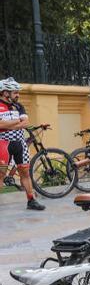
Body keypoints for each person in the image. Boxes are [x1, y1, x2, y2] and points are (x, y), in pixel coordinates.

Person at [0, 78, 44, 210]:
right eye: (15, 92)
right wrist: (16, 122)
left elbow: (25, 123)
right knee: (1, 174)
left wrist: (8, 125)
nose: (18, 95)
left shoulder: (19, 106)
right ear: (5, 92)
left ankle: (31, 201)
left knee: (25, 172)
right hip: (3, 143)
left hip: (20, 143)